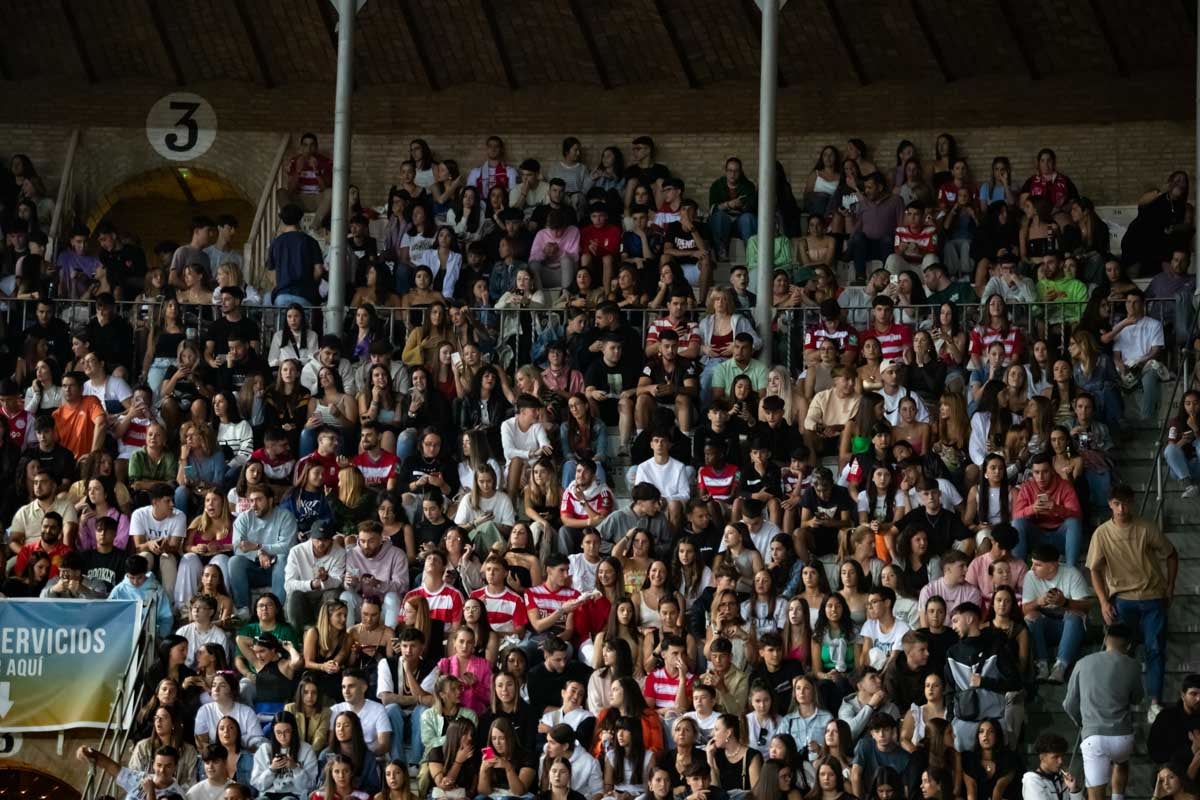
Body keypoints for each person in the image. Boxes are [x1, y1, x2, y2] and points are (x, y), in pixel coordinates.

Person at [1086, 483, 1177, 721]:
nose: (1121, 509)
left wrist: (1170, 586)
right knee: (1120, 651)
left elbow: (1170, 553)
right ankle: (1119, 701)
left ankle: (1154, 701)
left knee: (1155, 649)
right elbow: (1094, 569)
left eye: (1125, 503)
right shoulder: (1102, 533)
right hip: (1122, 599)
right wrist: (1104, 601)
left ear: (1132, 502)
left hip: (1152, 596)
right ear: (1110, 504)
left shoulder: (1146, 528)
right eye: (1117, 504)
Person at [1064, 623, 1143, 800]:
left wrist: (1081, 722)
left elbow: (1069, 704)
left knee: (1095, 795)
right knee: (1121, 762)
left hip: (1094, 737)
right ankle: (1117, 797)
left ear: (1106, 639)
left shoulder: (1082, 663)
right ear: (1129, 645)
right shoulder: (1133, 665)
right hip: (1123, 738)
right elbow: (1137, 698)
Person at [1022, 543, 1093, 684]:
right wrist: (1038, 602)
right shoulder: (1030, 576)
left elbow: (1087, 606)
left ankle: (1060, 666)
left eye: (1038, 565)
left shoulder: (1071, 573)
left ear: (1052, 566)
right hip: (1047, 628)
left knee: (1073, 615)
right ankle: (1041, 664)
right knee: (1030, 617)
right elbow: (1024, 609)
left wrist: (1065, 603)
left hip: (1073, 628)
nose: (1032, 568)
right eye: (1032, 564)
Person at [230, 486, 299, 618]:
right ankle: (243, 610)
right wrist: (259, 553)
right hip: (254, 569)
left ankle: (276, 609)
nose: (254, 505)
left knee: (284, 557)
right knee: (234, 561)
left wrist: (259, 546)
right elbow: (238, 547)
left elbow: (288, 546)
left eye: (259, 500)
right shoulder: (244, 518)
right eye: (251, 501)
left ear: (270, 500)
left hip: (278, 570)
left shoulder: (285, 517)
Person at [1012, 453, 1083, 566]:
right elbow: (1016, 515)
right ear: (1032, 473)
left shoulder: (1064, 486)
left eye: (1045, 472)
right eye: (1037, 472)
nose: (1041, 477)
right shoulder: (1027, 487)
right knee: (1017, 523)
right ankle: (1018, 569)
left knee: (1073, 522)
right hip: (1036, 536)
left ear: (1052, 471)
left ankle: (1071, 570)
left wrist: (1056, 509)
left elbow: (1077, 515)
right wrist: (1033, 509)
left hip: (1060, 536)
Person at [283, 521, 347, 629]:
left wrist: (325, 579)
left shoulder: (339, 552)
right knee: (294, 596)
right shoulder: (296, 551)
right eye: (318, 539)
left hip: (325, 595)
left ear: (331, 539)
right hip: (304, 596)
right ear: (311, 537)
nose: (321, 544)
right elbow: (288, 584)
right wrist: (312, 584)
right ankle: (297, 637)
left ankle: (328, 634)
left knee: (335, 594)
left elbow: (338, 581)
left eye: (325, 540)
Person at [251, 709, 320, 798]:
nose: (282, 736)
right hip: (269, 794)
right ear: (273, 732)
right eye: (278, 732)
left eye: (286, 732)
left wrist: (295, 768)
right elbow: (258, 785)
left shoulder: (307, 750)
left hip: (294, 795)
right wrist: (271, 769)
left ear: (293, 731)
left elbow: (310, 786)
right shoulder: (264, 749)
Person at [76, 744, 185, 800]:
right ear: (153, 764)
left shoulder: (177, 794)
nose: (162, 770)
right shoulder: (142, 778)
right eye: (159, 765)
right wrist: (90, 753)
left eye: (168, 766)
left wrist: (150, 791)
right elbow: (112, 767)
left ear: (175, 767)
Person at [330, 669, 392, 757]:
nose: (346, 691)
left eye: (351, 686)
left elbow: (384, 745)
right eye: (343, 687)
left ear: (363, 688)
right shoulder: (335, 710)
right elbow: (331, 743)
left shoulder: (378, 710)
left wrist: (364, 758)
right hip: (341, 760)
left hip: (369, 758)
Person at [1021, 732, 1083, 800]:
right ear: (1042, 757)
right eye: (1055, 757)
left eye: (1062, 756)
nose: (1060, 761)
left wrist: (1073, 790)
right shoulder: (1032, 781)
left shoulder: (1063, 780)